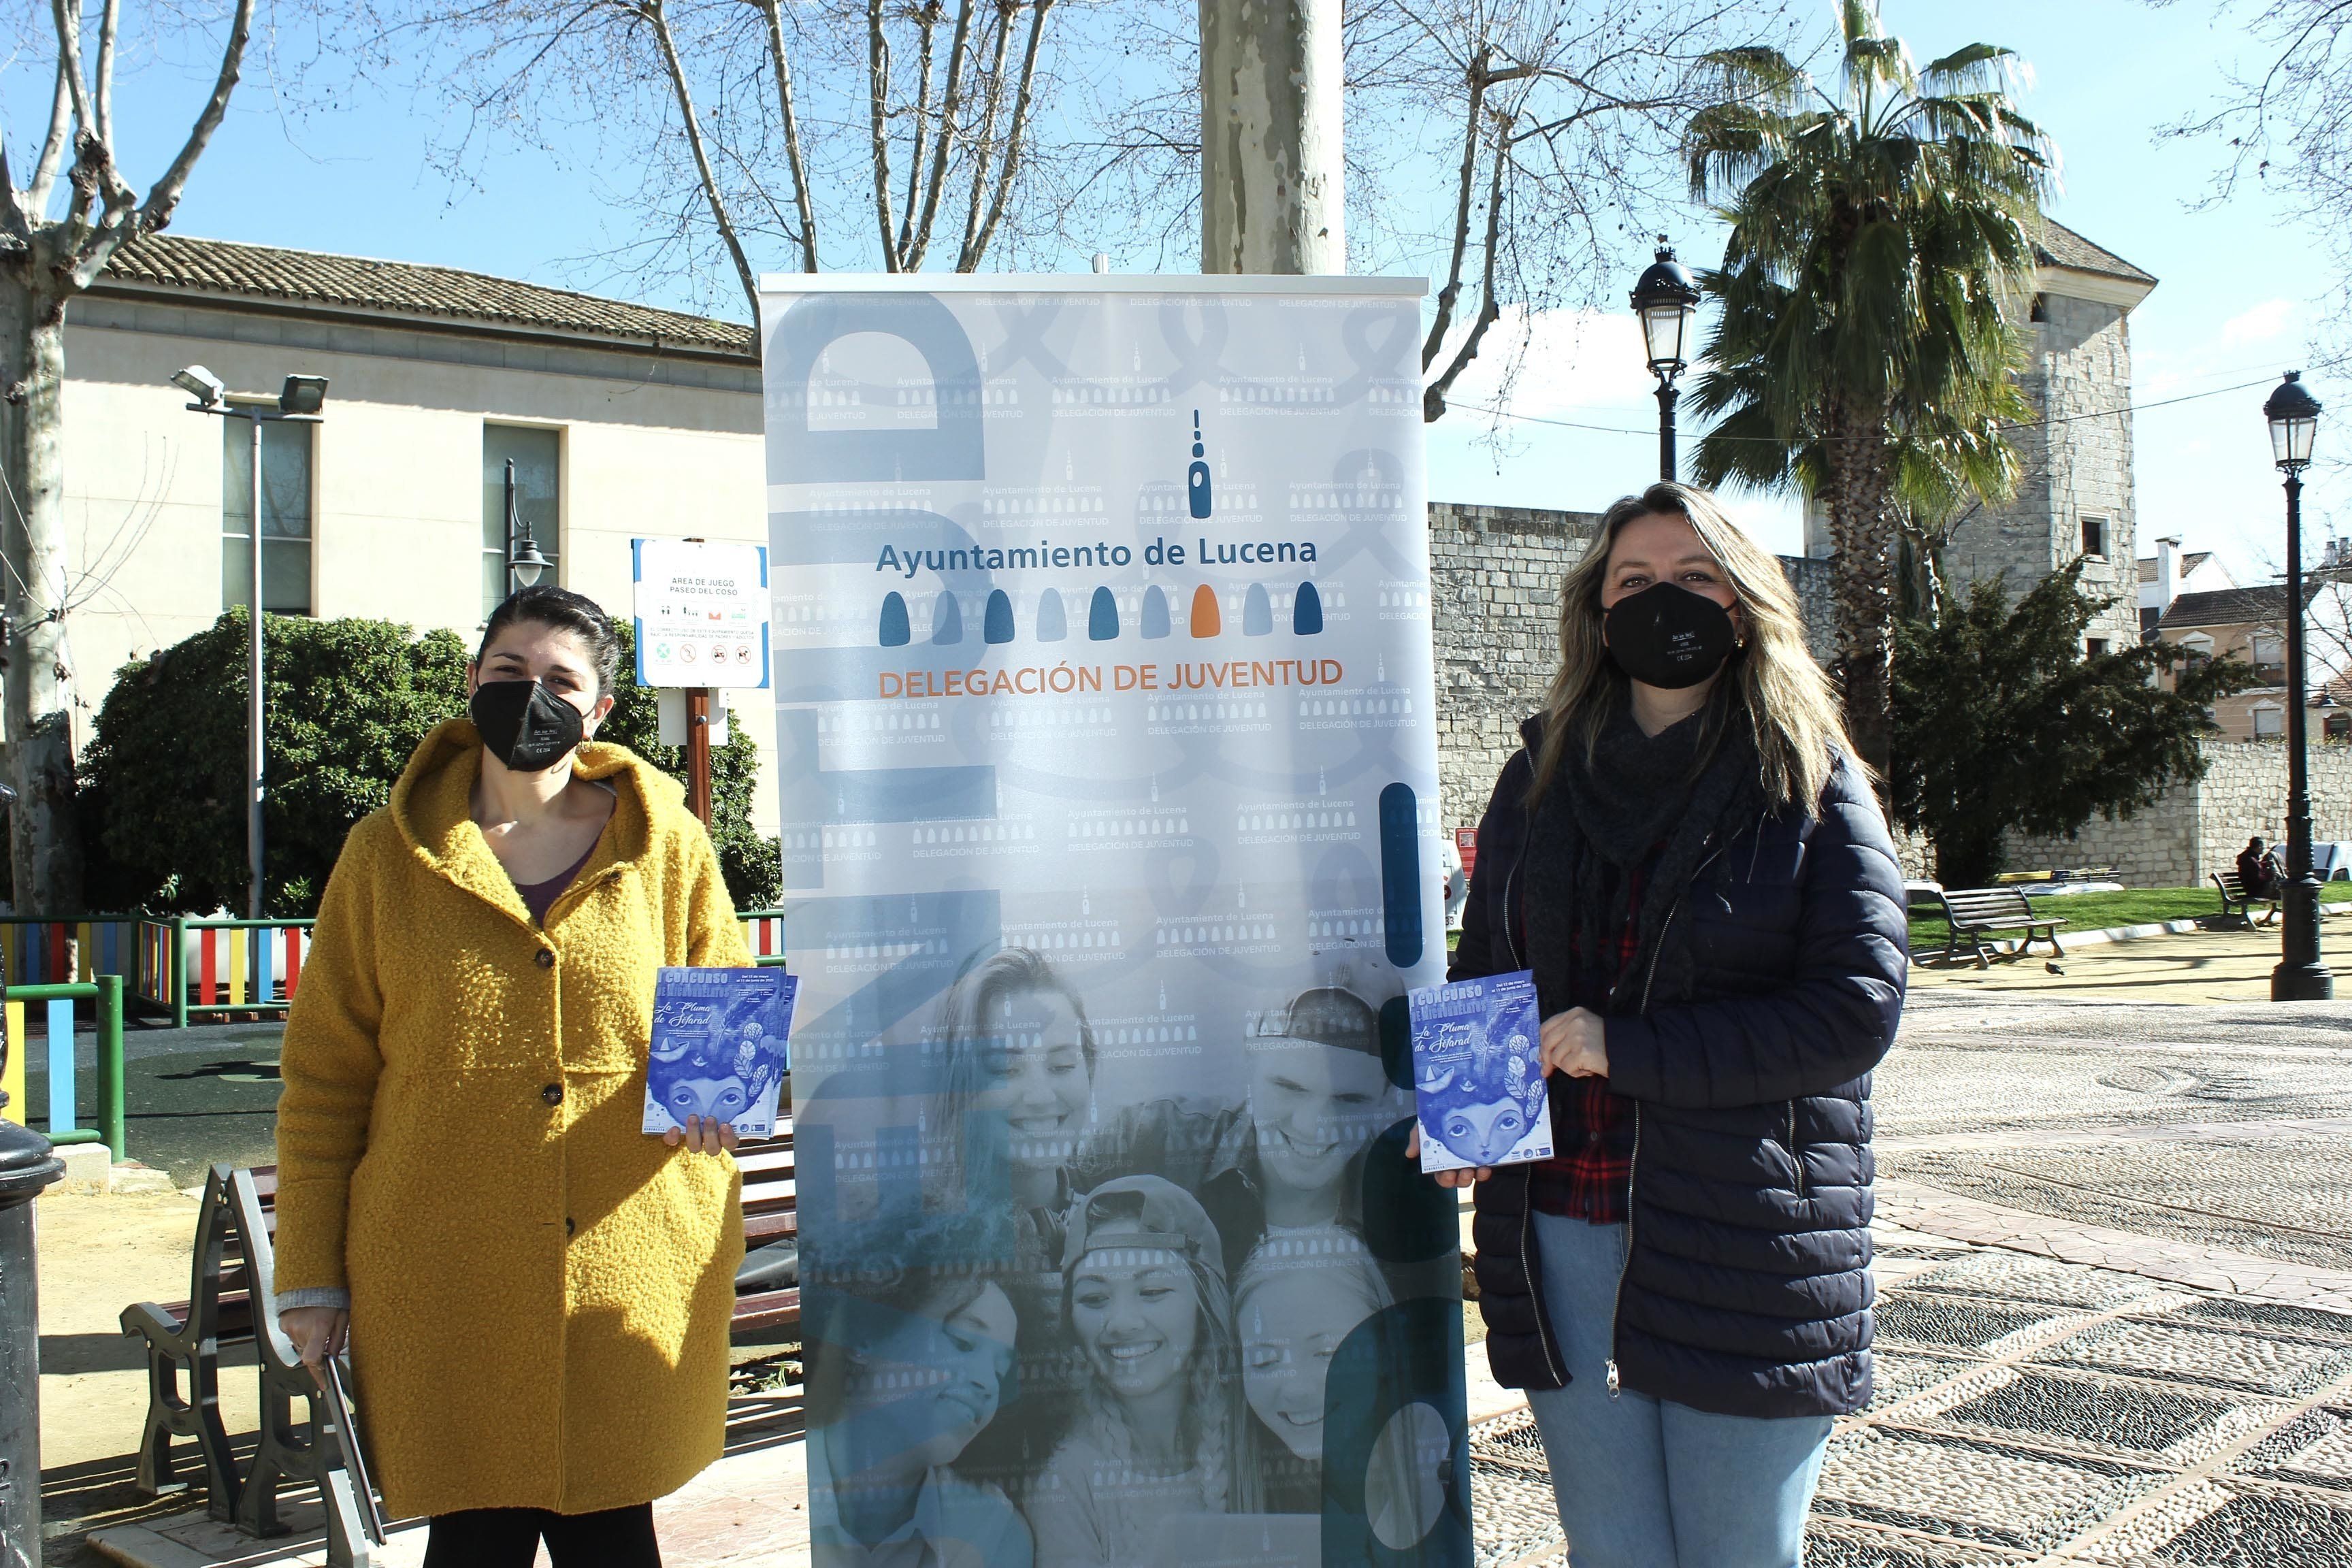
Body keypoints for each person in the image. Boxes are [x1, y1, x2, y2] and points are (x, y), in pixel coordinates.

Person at [1431, 483, 1906, 1568]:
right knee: (1614, 1553)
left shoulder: (1812, 779)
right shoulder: (1538, 777)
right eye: (1634, 582)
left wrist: (1625, 1048)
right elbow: (1489, 971)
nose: (1664, 603)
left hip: (1743, 1233)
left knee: (1737, 1553)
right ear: (1599, 613)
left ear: (1744, 607)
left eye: (1696, 579)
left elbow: (1855, 1009)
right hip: (1562, 1227)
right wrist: (1462, 1120)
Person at [272, 585, 755, 1567]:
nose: (531, 695)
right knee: (472, 1536)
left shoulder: (666, 846)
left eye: (560, 681)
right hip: (446, 1276)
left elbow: (727, 1008)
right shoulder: (383, 859)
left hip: (629, 1268)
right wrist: (311, 1279)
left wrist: (719, 1098)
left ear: (601, 710)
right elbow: (325, 1082)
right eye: (509, 673)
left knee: (615, 1535)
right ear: (472, 682)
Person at [1070, 985, 1403, 1279]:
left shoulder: (1407, 1197)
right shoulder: (1146, 1139)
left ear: (1386, 1095)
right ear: (1250, 1061)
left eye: (1349, 1099)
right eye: (1289, 1087)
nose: (1311, 1124)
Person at [1025, 1177, 1237, 1567]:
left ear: (1202, 1304)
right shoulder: (1067, 1481)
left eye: (1153, 1292)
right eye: (1094, 1298)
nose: (1121, 1323)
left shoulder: (1249, 1441)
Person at [805, 1218, 1036, 1568]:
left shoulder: (993, 1532)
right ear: (864, 1332)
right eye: (962, 1342)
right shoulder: (764, 1497)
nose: (987, 1383)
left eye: (999, 1370)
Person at [935, 947, 1099, 1271]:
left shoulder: (1128, 1218)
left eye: (1062, 1065)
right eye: (1005, 1070)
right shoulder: (928, 1243)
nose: (1039, 1096)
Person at [1231, 1226, 1392, 1512]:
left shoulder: (1435, 1488)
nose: (1295, 1389)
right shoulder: (1233, 1506)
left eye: (1327, 1353)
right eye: (1265, 1361)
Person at [2239, 835, 2285, 901]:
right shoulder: (2251, 860)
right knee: (2287, 891)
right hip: (2257, 892)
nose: (2263, 849)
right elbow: (2257, 880)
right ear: (2259, 846)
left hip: (2254, 890)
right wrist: (2270, 875)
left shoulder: (2249, 858)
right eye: (2263, 847)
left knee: (2285, 889)